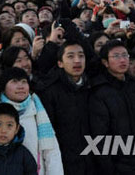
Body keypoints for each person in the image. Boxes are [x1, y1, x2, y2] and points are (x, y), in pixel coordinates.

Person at [0, 67, 63, 175]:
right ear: (4, 86)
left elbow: (51, 151)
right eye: (14, 82)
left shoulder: (37, 109)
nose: (21, 86)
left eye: (24, 82)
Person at [88, 39, 135, 174]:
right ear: (105, 62)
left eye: (125, 55)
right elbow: (99, 137)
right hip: (116, 166)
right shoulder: (99, 92)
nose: (122, 60)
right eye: (116, 56)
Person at [37, 41, 95, 174]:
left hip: (92, 161)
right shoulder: (50, 92)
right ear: (60, 63)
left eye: (81, 56)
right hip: (64, 162)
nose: (77, 61)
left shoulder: (92, 87)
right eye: (70, 56)